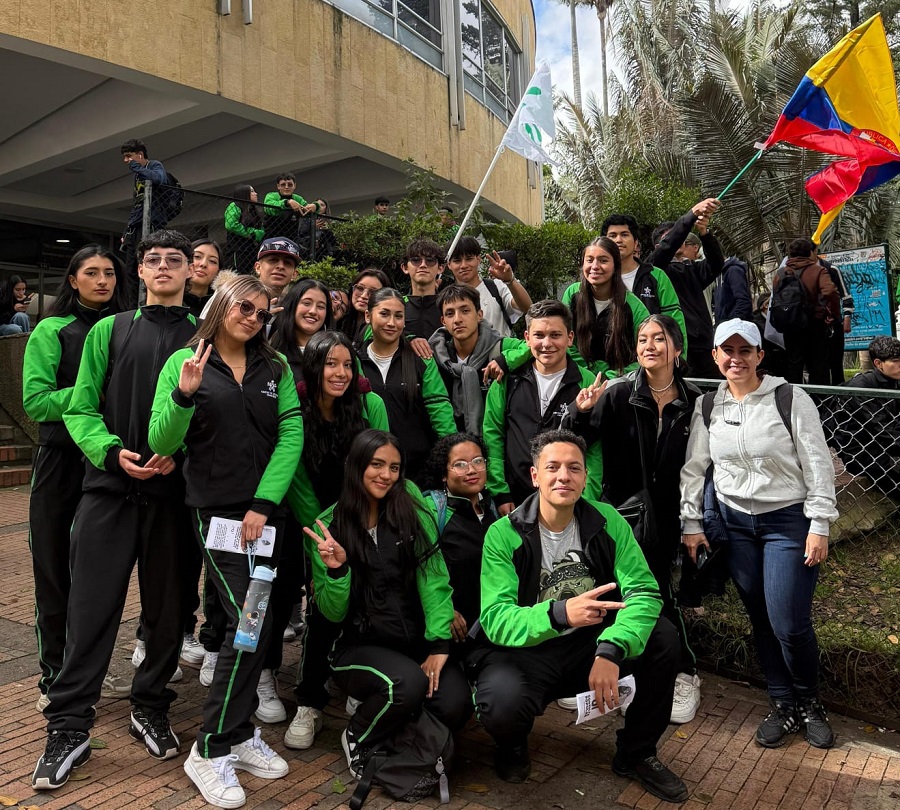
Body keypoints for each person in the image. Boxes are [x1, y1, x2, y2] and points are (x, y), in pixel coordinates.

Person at [32, 231, 197, 791]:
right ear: (142, 272)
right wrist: (107, 450)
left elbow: (217, 410)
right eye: (154, 260)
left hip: (172, 500)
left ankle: (150, 704)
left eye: (176, 260)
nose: (165, 267)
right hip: (106, 490)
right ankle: (69, 724)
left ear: (189, 271)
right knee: (90, 610)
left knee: (167, 612)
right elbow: (79, 407)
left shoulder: (205, 334)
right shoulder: (111, 328)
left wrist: (183, 456)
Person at [148, 274, 303, 808]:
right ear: (220, 305)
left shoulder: (274, 367)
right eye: (244, 306)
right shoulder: (185, 362)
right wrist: (184, 394)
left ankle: (237, 735)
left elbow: (291, 436)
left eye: (262, 312)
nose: (253, 318)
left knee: (255, 629)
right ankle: (210, 749)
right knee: (245, 623)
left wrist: (263, 504)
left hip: (266, 516)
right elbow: (161, 441)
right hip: (215, 513)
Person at [472, 430, 688, 803]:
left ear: (585, 476)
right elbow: (495, 617)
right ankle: (512, 745)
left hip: (589, 644)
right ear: (534, 475)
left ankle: (637, 753)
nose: (563, 476)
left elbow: (643, 591)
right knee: (500, 703)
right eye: (552, 467)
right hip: (527, 651)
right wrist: (559, 613)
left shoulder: (607, 520)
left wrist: (611, 649)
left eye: (574, 468)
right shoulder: (503, 534)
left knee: (663, 637)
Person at [680, 318, 838, 750]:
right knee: (761, 619)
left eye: (745, 350)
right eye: (726, 351)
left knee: (789, 621)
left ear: (759, 355)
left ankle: (810, 702)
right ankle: (783, 703)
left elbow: (818, 464)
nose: (736, 359)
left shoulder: (790, 398)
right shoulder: (709, 406)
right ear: (714, 357)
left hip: (788, 522)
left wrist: (819, 523)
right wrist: (692, 521)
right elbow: (695, 468)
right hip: (735, 526)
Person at [304, 429, 472, 777]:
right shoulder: (329, 526)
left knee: (456, 705)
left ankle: (399, 727)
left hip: (413, 643)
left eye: (394, 467)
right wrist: (337, 571)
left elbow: (434, 575)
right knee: (405, 685)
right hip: (358, 647)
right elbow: (332, 612)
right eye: (377, 464)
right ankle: (358, 737)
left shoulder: (409, 503)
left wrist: (439, 645)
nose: (386, 475)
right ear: (356, 465)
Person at [564, 315, 703, 724]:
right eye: (642, 339)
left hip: (671, 515)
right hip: (622, 516)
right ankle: (610, 672)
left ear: (676, 349)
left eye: (659, 339)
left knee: (661, 594)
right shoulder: (618, 394)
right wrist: (578, 410)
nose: (649, 345)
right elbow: (576, 443)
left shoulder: (694, 401)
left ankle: (683, 672)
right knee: (613, 589)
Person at [22, 246, 127, 713]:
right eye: (91, 273)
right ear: (72, 280)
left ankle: (84, 673)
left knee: (95, 578)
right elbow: (36, 403)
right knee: (53, 571)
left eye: (109, 273)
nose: (102, 280)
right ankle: (53, 675)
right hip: (61, 464)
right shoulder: (51, 329)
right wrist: (89, 393)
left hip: (107, 464)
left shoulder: (126, 326)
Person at [281, 331, 390, 750]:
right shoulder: (297, 409)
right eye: (330, 364)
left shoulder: (370, 405)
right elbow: (294, 473)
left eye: (347, 364)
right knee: (323, 609)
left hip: (363, 518)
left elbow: (383, 465)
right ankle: (309, 701)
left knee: (364, 602)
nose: (340, 373)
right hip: (313, 525)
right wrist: (324, 532)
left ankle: (357, 683)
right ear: (314, 367)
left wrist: (356, 522)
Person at [483, 300, 604, 513]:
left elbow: (593, 449)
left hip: (567, 500)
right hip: (514, 499)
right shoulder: (507, 380)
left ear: (570, 338)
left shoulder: (587, 382)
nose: (547, 343)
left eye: (555, 335)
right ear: (527, 338)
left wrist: (586, 500)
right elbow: (493, 436)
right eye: (539, 335)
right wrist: (500, 492)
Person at [358, 288, 456, 482]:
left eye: (399, 316)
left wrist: (453, 454)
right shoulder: (354, 361)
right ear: (368, 316)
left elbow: (439, 407)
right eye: (384, 314)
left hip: (417, 470)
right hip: (369, 468)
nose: (392, 323)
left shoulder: (420, 358)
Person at [420, 433, 500, 661]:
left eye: (478, 461)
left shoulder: (492, 509)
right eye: (460, 465)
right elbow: (421, 572)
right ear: (443, 474)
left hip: (490, 628)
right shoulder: (432, 511)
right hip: (449, 632)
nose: (472, 470)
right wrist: (445, 611)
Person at [563, 214, 688, 356]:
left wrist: (679, 360)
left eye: (624, 235)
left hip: (635, 366)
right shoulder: (578, 291)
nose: (618, 240)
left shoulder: (654, 277)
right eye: (612, 235)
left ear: (636, 243)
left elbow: (673, 321)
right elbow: (565, 336)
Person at [650, 199, 724, 377]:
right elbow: (668, 246)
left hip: (704, 345)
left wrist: (705, 234)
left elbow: (716, 264)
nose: (679, 240)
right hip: (676, 347)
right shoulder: (654, 269)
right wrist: (691, 214)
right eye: (673, 237)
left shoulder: (691, 268)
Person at [428, 284, 515, 436]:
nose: (457, 319)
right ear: (443, 321)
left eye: (465, 311)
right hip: (450, 446)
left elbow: (532, 347)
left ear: (479, 314)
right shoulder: (435, 355)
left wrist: (505, 360)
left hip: (494, 445)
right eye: (450, 314)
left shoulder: (499, 346)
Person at [562, 237, 651, 379]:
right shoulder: (572, 294)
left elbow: (645, 351)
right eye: (589, 260)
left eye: (603, 260)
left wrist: (610, 378)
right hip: (578, 379)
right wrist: (586, 375)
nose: (595, 266)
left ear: (616, 265)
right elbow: (565, 340)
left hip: (620, 383)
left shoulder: (633, 306)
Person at [832, 336, 900, 498]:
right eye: (896, 361)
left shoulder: (894, 381)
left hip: (886, 444)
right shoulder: (861, 388)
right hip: (862, 451)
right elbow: (883, 429)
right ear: (878, 363)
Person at [773, 238, 840, 385]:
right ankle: (820, 402)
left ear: (790, 254)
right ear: (810, 252)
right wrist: (833, 313)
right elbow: (830, 291)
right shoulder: (817, 271)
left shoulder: (780, 273)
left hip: (790, 324)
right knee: (818, 365)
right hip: (814, 323)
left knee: (793, 364)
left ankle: (793, 399)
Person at [445, 236, 532, 338]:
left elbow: (527, 308)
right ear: (449, 264)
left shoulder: (496, 287)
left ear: (478, 259)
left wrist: (510, 280)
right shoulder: (446, 297)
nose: (464, 265)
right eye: (457, 261)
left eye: (469, 259)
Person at [119, 139, 170, 307]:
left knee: (147, 264)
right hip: (135, 227)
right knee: (131, 270)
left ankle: (148, 304)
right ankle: (132, 307)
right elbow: (137, 205)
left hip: (151, 225)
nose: (126, 161)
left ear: (140, 154)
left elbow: (159, 179)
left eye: (129, 156)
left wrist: (137, 167)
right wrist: (127, 230)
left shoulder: (154, 166)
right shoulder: (138, 175)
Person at [269, 278, 335, 379]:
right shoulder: (272, 350)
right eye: (306, 303)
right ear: (292, 306)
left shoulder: (338, 351)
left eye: (321, 307)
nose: (313, 311)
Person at [817, 248, 854, 385]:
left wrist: (847, 317)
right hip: (812, 328)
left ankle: (841, 399)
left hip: (833, 326)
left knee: (836, 363)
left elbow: (846, 296)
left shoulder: (831, 269)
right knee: (819, 367)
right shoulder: (797, 272)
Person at [401, 238, 444, 340]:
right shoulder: (397, 306)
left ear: (440, 268)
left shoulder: (448, 306)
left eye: (430, 260)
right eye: (416, 260)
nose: (423, 265)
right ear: (405, 268)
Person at [337, 268, 390, 348]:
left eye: (373, 292)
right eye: (360, 288)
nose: (364, 296)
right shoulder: (342, 317)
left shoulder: (382, 329)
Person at [262, 172, 321, 242]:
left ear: (294, 186)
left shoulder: (297, 198)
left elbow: (307, 207)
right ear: (278, 186)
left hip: (291, 239)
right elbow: (269, 208)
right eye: (283, 184)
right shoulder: (271, 195)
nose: (286, 187)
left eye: (290, 184)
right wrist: (287, 202)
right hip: (271, 237)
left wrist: (315, 206)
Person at [224, 184, 264, 275]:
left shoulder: (253, 210)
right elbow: (231, 225)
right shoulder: (234, 206)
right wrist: (251, 233)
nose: (256, 194)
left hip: (251, 250)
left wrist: (258, 233)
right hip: (238, 250)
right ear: (245, 194)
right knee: (238, 274)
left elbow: (261, 230)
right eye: (252, 191)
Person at [183, 239, 222, 319]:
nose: (203, 264)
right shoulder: (168, 299)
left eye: (212, 261)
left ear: (218, 272)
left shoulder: (222, 308)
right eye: (197, 257)